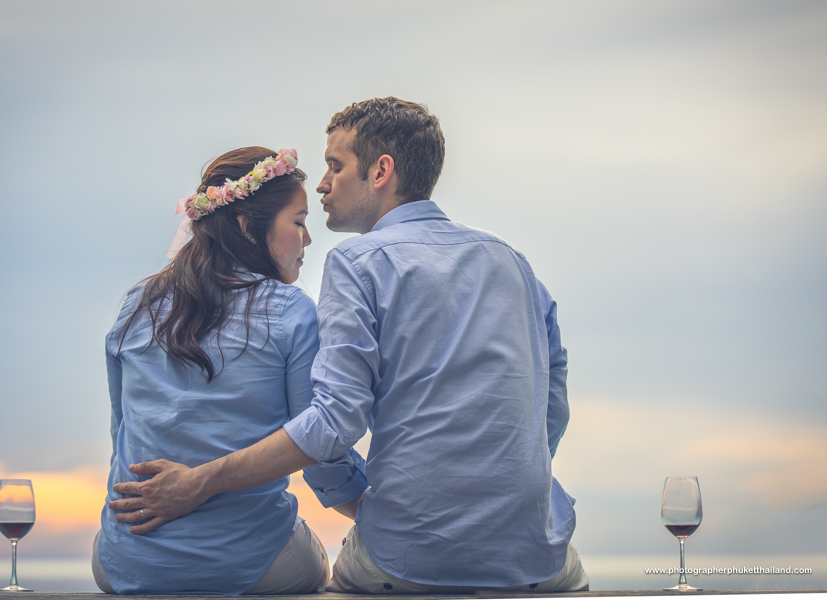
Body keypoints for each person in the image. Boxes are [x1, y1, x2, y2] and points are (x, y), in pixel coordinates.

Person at [109, 98, 589, 593]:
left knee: (341, 579)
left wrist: (203, 481)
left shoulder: (357, 263)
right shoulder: (514, 262)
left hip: (407, 558)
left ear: (381, 171)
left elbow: (335, 420)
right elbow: (552, 400)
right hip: (536, 555)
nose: (322, 183)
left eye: (335, 166)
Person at [93, 147, 367, 595]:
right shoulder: (291, 311)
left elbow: (122, 433)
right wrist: (376, 511)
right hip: (251, 565)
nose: (308, 239)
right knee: (324, 565)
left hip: (125, 562)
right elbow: (318, 450)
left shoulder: (135, 306)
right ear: (247, 227)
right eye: (298, 222)